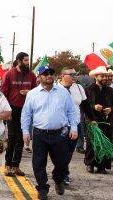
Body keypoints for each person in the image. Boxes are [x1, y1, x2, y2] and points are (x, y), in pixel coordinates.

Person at [21, 65, 79, 200]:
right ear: (39, 77)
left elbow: (71, 111)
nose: (49, 76)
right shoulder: (32, 94)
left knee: (62, 162)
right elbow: (26, 115)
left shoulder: (63, 92)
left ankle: (58, 179)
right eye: (45, 74)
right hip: (40, 133)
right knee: (38, 162)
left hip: (60, 133)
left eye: (51, 73)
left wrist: (74, 128)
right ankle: (42, 188)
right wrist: (25, 131)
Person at [0, 52, 37, 177]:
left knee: (22, 138)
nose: (27, 62)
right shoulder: (9, 74)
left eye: (28, 60)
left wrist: (29, 92)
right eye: (25, 60)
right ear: (19, 61)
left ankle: (16, 166)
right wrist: (6, 111)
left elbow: (37, 91)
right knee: (12, 137)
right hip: (12, 109)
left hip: (26, 110)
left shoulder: (31, 75)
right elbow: (3, 94)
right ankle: (8, 165)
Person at [57, 68, 88, 185]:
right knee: (60, 151)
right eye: (72, 74)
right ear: (63, 75)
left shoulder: (79, 88)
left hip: (75, 125)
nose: (75, 76)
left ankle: (63, 170)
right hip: (59, 126)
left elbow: (85, 105)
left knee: (69, 151)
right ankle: (63, 173)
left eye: (76, 74)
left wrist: (93, 119)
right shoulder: (55, 88)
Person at [84, 67, 113, 174]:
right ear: (96, 77)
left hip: (105, 120)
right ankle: (90, 164)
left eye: (106, 76)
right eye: (102, 76)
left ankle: (102, 166)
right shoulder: (88, 89)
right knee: (92, 142)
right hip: (92, 119)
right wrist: (93, 106)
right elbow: (84, 105)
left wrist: (110, 109)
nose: (105, 78)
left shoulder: (110, 90)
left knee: (104, 142)